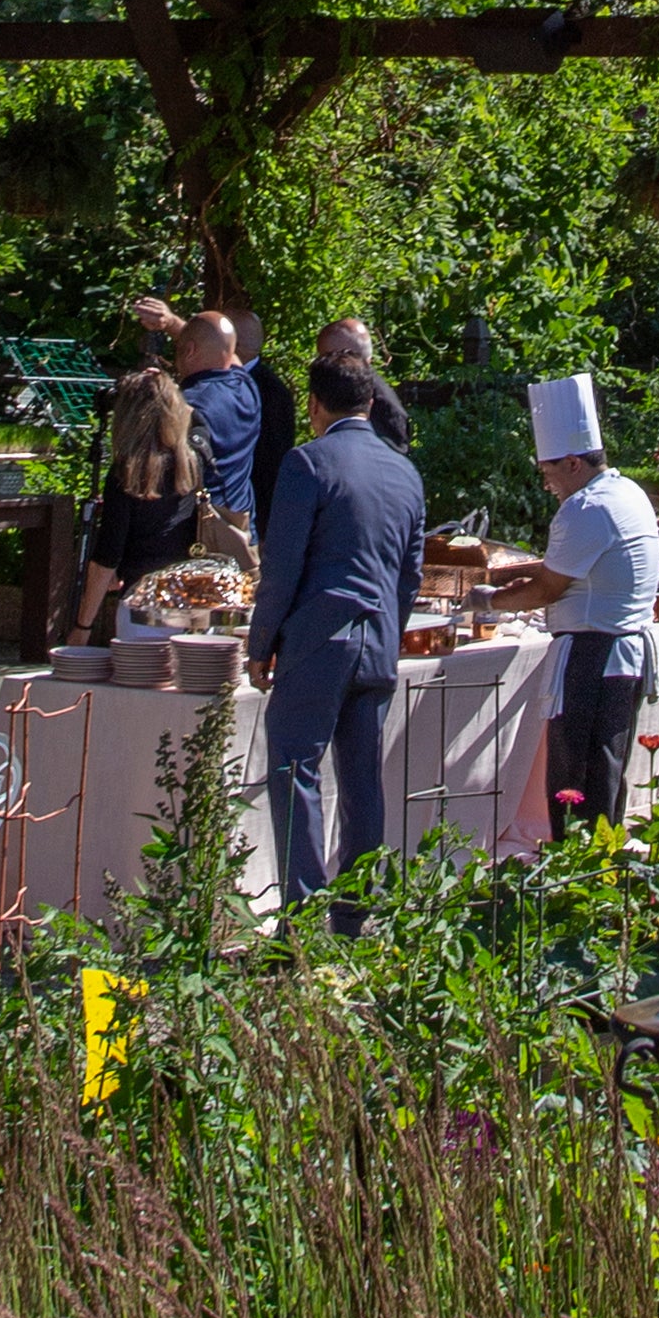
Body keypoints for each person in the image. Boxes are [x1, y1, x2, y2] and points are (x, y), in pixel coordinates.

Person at [244, 352, 426, 922]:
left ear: (314, 407)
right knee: (362, 781)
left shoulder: (307, 463)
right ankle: (355, 917)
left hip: (320, 640)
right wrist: (390, 629)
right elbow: (410, 574)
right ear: (371, 403)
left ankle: (301, 921)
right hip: (377, 643)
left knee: (296, 772)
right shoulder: (405, 471)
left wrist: (260, 644)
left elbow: (282, 567)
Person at [495, 370, 659, 829]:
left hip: (594, 654)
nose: (547, 484)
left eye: (549, 472)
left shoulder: (585, 508)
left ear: (573, 463)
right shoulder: (628, 491)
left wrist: (488, 603)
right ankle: (600, 859)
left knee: (578, 772)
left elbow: (550, 587)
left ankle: (580, 868)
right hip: (622, 650)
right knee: (605, 767)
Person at [75, 322, 209, 646]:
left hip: (141, 602)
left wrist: (82, 627)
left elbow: (108, 555)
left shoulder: (127, 474)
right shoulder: (192, 460)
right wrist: (165, 391)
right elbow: (198, 419)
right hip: (187, 600)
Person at [179, 308, 273, 553]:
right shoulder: (247, 389)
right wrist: (173, 325)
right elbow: (230, 355)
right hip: (242, 536)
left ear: (189, 351)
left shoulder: (186, 406)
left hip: (197, 540)